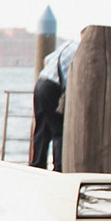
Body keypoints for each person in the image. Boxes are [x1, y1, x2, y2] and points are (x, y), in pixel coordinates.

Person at [30, 38, 72, 169]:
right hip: (53, 87)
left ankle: (38, 164)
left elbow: (47, 59)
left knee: (42, 128)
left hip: (41, 82)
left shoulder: (69, 44)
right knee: (58, 130)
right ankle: (59, 167)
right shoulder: (82, 51)